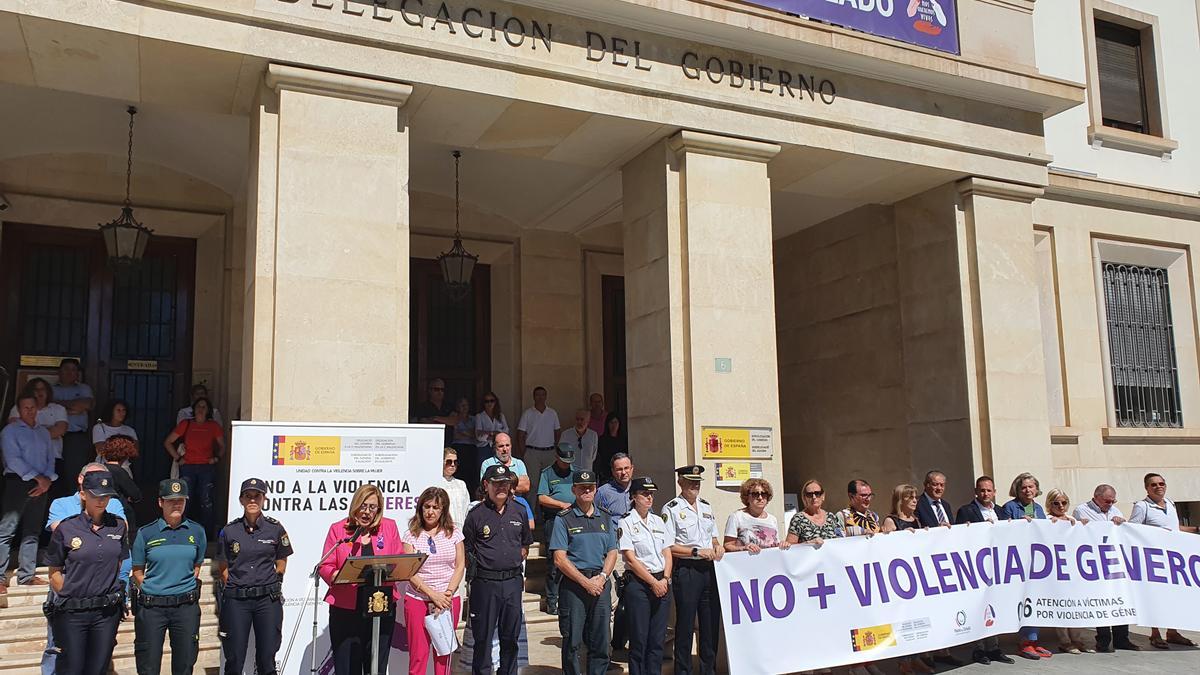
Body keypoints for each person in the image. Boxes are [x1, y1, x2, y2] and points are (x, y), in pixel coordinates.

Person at [42, 463, 129, 675]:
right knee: (71, 668)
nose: (102, 500)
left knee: (98, 668)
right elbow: (54, 571)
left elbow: (118, 562)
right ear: (83, 494)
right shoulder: (67, 528)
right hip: (73, 613)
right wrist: (69, 594)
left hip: (105, 613)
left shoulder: (118, 526)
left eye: (106, 496)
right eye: (96, 495)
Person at [318, 484, 404, 675]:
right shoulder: (338, 529)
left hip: (380, 606)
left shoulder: (389, 527)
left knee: (376, 667)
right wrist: (336, 576)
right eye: (363, 505)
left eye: (372, 507)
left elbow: (398, 559)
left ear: (379, 509)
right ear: (355, 505)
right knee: (348, 667)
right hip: (346, 610)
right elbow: (325, 565)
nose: (366, 512)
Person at [131, 479, 207, 675]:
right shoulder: (146, 533)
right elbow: (138, 570)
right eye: (171, 500)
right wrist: (154, 588)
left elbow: (196, 565)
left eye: (181, 500)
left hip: (185, 608)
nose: (176, 504)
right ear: (160, 502)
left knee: (185, 664)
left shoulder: (197, 531)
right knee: (148, 665)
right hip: (152, 608)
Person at [217, 478, 292, 675]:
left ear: (263, 499)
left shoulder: (275, 528)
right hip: (237, 600)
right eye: (248, 496)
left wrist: (276, 578)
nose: (252, 500)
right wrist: (236, 584)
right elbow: (223, 566)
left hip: (267, 600)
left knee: (267, 658)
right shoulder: (229, 530)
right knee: (234, 658)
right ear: (241, 500)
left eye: (256, 496)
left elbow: (282, 559)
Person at [463, 464, 532, 675]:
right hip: (485, 584)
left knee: (510, 639)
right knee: (482, 639)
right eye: (496, 483)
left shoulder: (519, 511)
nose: (501, 487)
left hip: (512, 583)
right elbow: (466, 548)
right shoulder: (476, 515)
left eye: (505, 483)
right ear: (486, 485)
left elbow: (525, 546)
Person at [550, 469, 618, 675]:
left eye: (590, 487)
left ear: (596, 489)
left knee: (601, 641)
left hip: (600, 582)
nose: (587, 490)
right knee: (573, 641)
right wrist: (585, 582)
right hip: (574, 585)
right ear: (574, 490)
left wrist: (603, 577)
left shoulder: (605, 517)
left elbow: (612, 552)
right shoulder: (564, 518)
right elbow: (559, 558)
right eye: (582, 487)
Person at [663, 465, 723, 675]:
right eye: (690, 481)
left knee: (709, 625)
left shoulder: (706, 507)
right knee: (686, 625)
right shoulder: (671, 508)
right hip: (687, 569)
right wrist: (697, 552)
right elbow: (669, 546)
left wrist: (717, 546)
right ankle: (683, 671)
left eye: (697, 482)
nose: (695, 485)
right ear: (680, 482)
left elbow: (713, 537)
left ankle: (709, 670)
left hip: (709, 570)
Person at [400, 486, 465, 675]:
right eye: (426, 507)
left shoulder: (454, 533)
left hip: (447, 600)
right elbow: (409, 571)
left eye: (435, 507)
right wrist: (432, 595)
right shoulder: (410, 535)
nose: (430, 512)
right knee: (418, 657)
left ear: (443, 509)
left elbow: (460, 565)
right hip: (418, 600)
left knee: (444, 656)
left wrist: (446, 595)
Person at [1130, 472, 1198, 649]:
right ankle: (1154, 634)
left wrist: (1195, 529)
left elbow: (1174, 528)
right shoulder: (1142, 506)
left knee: (1172, 595)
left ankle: (1172, 632)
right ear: (1147, 488)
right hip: (1153, 561)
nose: (1158, 487)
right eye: (1154, 485)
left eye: (1161, 483)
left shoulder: (1171, 504)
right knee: (1155, 596)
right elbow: (1132, 531)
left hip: (1173, 559)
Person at [954, 476, 1014, 665]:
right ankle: (978, 649)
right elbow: (959, 537)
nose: (985, 494)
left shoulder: (1001, 511)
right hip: (977, 567)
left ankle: (994, 648)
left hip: (998, 567)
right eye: (981, 490)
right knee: (978, 606)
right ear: (976, 492)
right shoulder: (966, 511)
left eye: (988, 490)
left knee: (995, 606)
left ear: (994, 492)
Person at [0, 393, 57, 592]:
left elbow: (51, 458)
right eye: (25, 407)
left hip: (43, 484)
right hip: (19, 482)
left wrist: (47, 480)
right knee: (7, 529)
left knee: (32, 531)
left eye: (32, 407)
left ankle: (27, 575)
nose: (30, 411)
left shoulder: (43, 432)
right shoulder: (10, 431)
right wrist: (37, 477)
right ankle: (0, 578)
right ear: (19, 409)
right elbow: (13, 459)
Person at [1073, 484, 1138, 653]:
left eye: (1112, 501)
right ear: (1096, 497)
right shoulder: (1082, 510)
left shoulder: (1116, 511)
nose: (1110, 504)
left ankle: (1121, 638)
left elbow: (1124, 533)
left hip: (1115, 563)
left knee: (1119, 600)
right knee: (1101, 602)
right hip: (1094, 563)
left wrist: (1121, 523)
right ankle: (1103, 640)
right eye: (1107, 501)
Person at [618, 477, 672, 675]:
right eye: (644, 494)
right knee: (639, 640)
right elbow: (630, 559)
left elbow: (667, 552)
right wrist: (653, 582)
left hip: (662, 581)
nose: (649, 498)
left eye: (651, 494)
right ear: (634, 496)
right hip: (639, 584)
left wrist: (665, 579)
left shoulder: (658, 521)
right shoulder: (626, 522)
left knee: (657, 640)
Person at [1000, 472, 1052, 659]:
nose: (1028, 490)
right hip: (1018, 563)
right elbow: (1004, 532)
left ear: (1036, 489)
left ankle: (1033, 641)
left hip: (1037, 562)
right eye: (1024, 487)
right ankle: (1024, 643)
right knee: (1024, 601)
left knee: (1035, 601)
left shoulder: (1038, 508)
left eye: (1031, 486)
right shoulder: (1009, 507)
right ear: (1017, 490)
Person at [835, 480, 883, 675]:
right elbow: (837, 543)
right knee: (854, 620)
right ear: (851, 496)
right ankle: (855, 665)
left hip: (871, 574)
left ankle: (869, 659)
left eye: (870, 495)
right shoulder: (842, 516)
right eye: (863, 495)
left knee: (870, 619)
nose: (867, 499)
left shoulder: (874, 516)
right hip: (851, 575)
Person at [162, 396, 224, 536]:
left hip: (206, 468)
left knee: (206, 500)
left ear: (208, 410)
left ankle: (206, 534)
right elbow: (168, 442)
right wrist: (178, 458)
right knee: (185, 499)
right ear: (193, 409)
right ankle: (182, 530)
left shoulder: (213, 426)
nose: (201, 410)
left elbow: (222, 446)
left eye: (204, 407)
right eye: (198, 407)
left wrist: (216, 458)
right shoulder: (186, 424)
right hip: (188, 467)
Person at [1041, 489, 1091, 655]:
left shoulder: (1072, 520)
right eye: (1056, 503)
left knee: (1076, 604)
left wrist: (1083, 526)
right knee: (1061, 604)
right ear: (1050, 504)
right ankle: (1065, 641)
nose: (1061, 506)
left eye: (1064, 502)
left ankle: (1078, 639)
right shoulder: (1047, 520)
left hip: (1074, 568)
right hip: (1056, 568)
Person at [595, 453, 634, 651]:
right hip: (614, 554)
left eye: (626, 468)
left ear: (632, 468)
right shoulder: (603, 492)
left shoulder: (640, 489)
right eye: (619, 469)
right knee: (612, 604)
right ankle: (606, 653)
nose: (623, 472)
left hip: (637, 554)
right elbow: (596, 522)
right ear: (612, 472)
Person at [537, 443, 577, 615]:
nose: (566, 464)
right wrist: (561, 504)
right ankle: (552, 599)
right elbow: (542, 498)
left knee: (574, 559)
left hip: (574, 520)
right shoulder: (547, 473)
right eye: (563, 461)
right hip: (554, 520)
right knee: (554, 562)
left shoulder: (576, 472)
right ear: (557, 457)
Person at [7, 378, 68, 485]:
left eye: (43, 389)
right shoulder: (17, 409)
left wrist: (34, 430)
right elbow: (16, 431)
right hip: (25, 462)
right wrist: (46, 430)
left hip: (53, 459)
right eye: (35, 389)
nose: (39, 392)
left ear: (48, 391)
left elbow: (60, 430)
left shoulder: (58, 409)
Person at [52, 359, 94, 492]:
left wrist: (59, 405)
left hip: (76, 437)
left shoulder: (84, 388)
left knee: (75, 473)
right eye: (66, 369)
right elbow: (48, 406)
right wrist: (73, 407)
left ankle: (75, 506)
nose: (70, 372)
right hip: (53, 436)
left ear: (78, 373)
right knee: (53, 471)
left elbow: (86, 404)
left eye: (73, 369)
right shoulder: (51, 389)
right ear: (59, 372)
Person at [516, 386, 561, 497]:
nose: (540, 397)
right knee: (533, 484)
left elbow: (558, 432)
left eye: (542, 395)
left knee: (550, 483)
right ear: (533, 397)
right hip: (532, 452)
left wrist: (555, 449)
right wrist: (524, 453)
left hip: (549, 452)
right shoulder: (528, 413)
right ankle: (531, 512)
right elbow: (520, 435)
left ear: (546, 396)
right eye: (537, 395)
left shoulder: (552, 413)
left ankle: (546, 512)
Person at [723, 478, 788, 552]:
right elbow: (727, 545)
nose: (760, 498)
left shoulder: (772, 519)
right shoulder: (736, 517)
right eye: (755, 494)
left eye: (763, 494)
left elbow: (775, 545)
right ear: (747, 497)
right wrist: (743, 548)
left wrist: (782, 544)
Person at [99, 435, 141, 534]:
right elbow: (136, 495)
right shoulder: (120, 471)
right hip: (119, 514)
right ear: (126, 454)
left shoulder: (99, 469)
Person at [471, 392, 508, 494]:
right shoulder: (480, 416)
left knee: (499, 470)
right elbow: (479, 435)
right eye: (487, 401)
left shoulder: (500, 416)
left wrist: (488, 433)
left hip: (498, 448)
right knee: (484, 472)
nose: (489, 403)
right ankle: (484, 494)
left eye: (492, 401)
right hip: (484, 448)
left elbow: (506, 431)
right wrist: (494, 433)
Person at [785, 479, 840, 546]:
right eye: (809, 494)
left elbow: (840, 540)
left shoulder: (831, 517)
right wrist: (808, 543)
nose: (814, 497)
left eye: (817, 493)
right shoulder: (798, 519)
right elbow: (789, 545)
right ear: (804, 498)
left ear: (823, 496)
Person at [414, 378, 458, 446]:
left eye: (442, 390)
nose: (440, 392)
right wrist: (446, 420)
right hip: (428, 443)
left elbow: (454, 421)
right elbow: (423, 422)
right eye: (436, 389)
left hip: (447, 444)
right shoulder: (423, 407)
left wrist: (436, 418)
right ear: (430, 390)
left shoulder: (449, 406)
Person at [560, 409, 599, 476]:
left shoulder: (593, 435)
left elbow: (593, 456)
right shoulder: (566, 435)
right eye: (577, 419)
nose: (579, 422)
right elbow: (561, 455)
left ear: (588, 421)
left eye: (582, 419)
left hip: (587, 474)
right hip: (570, 474)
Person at [440, 447, 471, 529]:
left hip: (460, 529)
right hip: (443, 529)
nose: (453, 464)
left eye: (455, 462)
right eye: (449, 462)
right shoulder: (436, 483)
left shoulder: (461, 484)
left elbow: (467, 507)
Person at [595, 413, 627, 483]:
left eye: (616, 422)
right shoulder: (601, 440)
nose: (614, 425)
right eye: (611, 423)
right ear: (608, 424)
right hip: (606, 474)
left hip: (621, 472)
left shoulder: (624, 439)